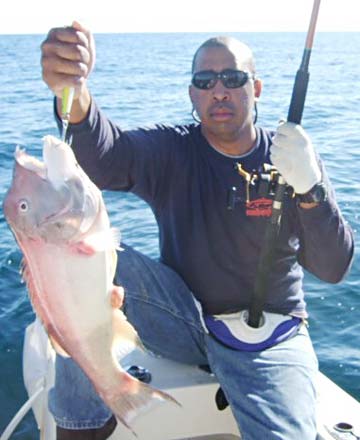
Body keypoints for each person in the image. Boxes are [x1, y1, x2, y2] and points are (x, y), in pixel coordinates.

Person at [40, 21, 354, 440]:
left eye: (233, 78)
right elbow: (107, 156)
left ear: (255, 88)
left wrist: (311, 189)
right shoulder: (173, 149)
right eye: (205, 81)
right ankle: (81, 428)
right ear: (192, 94)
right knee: (88, 261)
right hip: (183, 320)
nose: (219, 90)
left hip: (271, 338)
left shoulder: (293, 155)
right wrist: (73, 95)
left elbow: (333, 267)